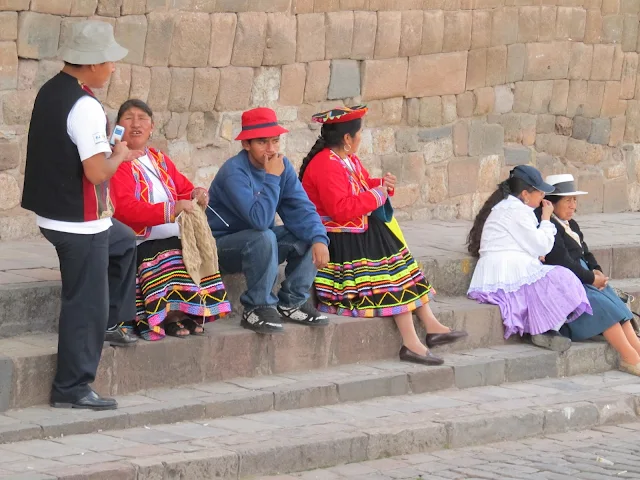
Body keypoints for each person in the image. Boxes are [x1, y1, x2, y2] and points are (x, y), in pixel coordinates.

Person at [20, 21, 140, 411]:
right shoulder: (85, 106)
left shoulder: (51, 90)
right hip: (80, 223)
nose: (113, 68)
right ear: (91, 64)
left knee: (124, 243)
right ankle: (72, 387)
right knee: (83, 303)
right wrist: (120, 154)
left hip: (56, 215)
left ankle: (111, 320)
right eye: (109, 62)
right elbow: (96, 172)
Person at [299, 105, 467, 366]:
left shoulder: (347, 159)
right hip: (340, 241)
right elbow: (340, 210)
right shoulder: (325, 165)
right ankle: (412, 342)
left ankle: (431, 326)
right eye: (359, 134)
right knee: (390, 272)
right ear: (347, 138)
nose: (360, 138)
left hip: (357, 234)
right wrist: (377, 195)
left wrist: (381, 185)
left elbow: (361, 186)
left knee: (394, 261)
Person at [110, 99, 232, 340]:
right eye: (129, 118)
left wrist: (196, 194)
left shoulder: (159, 158)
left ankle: (185, 312)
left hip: (169, 235)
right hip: (138, 239)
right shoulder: (116, 161)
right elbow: (124, 208)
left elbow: (183, 188)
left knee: (189, 248)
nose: (136, 124)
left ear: (152, 126)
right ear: (118, 126)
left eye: (142, 118)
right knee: (167, 253)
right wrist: (170, 210)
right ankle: (169, 317)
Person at [207, 107, 330, 334]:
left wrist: (319, 238)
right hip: (222, 248)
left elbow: (301, 208)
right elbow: (260, 220)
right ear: (246, 145)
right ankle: (257, 306)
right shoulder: (234, 172)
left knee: (311, 233)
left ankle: (292, 301)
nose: (271, 150)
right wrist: (272, 177)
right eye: (262, 143)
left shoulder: (282, 167)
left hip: (261, 244)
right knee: (263, 236)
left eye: (275, 141)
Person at [466, 166, 591, 352]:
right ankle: (542, 329)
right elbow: (542, 245)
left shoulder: (512, 207)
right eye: (540, 193)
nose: (543, 198)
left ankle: (544, 328)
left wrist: (537, 249)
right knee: (563, 278)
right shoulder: (517, 211)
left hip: (508, 265)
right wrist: (547, 219)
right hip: (505, 271)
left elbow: (530, 244)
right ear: (525, 194)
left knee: (554, 277)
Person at [535, 174, 640, 375]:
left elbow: (585, 252)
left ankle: (637, 347)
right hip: (568, 283)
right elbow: (562, 260)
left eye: (574, 200)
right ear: (552, 203)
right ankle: (630, 357)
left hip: (584, 276)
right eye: (568, 200)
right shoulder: (550, 227)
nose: (573, 205)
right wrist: (591, 278)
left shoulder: (571, 225)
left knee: (612, 298)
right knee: (598, 304)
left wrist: (596, 270)